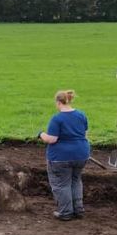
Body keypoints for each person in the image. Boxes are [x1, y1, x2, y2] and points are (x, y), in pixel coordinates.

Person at [38, 89, 90, 220]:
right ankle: (78, 210)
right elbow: (85, 135)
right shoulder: (81, 115)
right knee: (76, 180)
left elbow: (52, 139)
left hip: (60, 157)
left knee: (61, 184)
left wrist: (41, 134)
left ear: (58, 102)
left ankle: (66, 212)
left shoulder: (57, 119)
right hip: (81, 154)